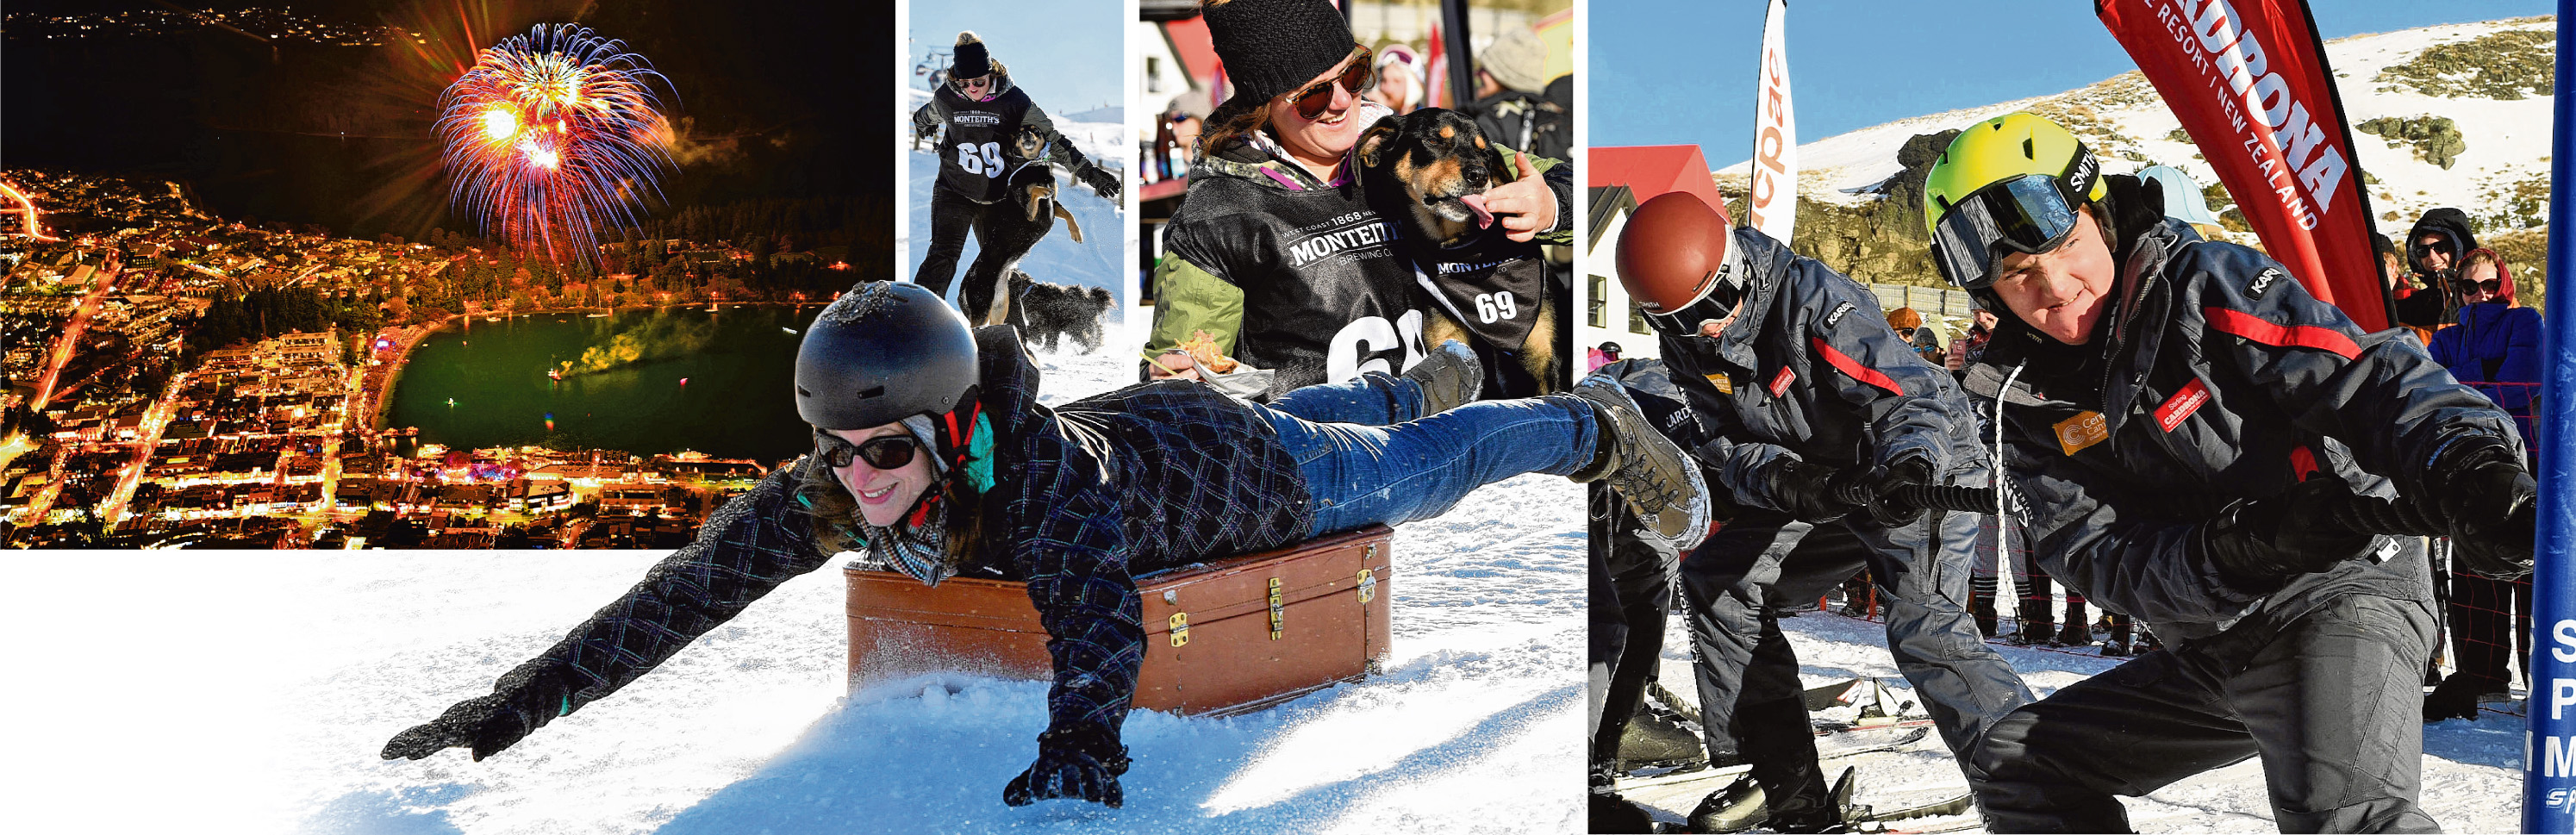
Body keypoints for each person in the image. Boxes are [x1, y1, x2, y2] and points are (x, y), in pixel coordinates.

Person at [380, 281, 1712, 809]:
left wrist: (1082, 746)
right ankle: (1410, 379)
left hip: (1247, 483)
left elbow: (1097, 619)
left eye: (889, 453)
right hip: (1173, 417)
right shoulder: (843, 485)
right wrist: (504, 716)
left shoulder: (1039, 485)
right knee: (1346, 417)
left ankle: (1578, 422)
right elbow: (675, 602)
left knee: (1418, 473)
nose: (864, 485)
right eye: (841, 455)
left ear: (956, 432)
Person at [1923, 112, 2534, 832]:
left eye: (2066, 246)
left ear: (2099, 216)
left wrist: (2466, 459)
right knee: (2018, 763)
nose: (2054, 286)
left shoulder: (2204, 287)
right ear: (1988, 294)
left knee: (2344, 817)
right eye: (2019, 274)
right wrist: (2227, 551)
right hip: (2213, 637)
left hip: (2339, 588)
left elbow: (2366, 376)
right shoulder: (2019, 397)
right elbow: (2090, 550)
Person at [1611, 190, 2036, 832]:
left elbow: (1909, 393)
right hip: (1827, 484)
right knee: (1718, 582)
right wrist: (1791, 479)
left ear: (1734, 275)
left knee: (1926, 629)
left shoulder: (1811, 301)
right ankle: (1789, 787)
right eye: (1678, 320)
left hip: (1919, 469)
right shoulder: (1688, 342)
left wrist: (1908, 463)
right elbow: (1721, 444)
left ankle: (2042, 793)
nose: (1704, 329)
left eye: (1710, 309)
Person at [1145, 0, 1569, 400]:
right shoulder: (1219, 215)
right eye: (1313, 95)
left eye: (1352, 74)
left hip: (1443, 438)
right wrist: (1178, 373)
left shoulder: (1402, 144)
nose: (1343, 102)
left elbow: (1568, 185)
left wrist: (1550, 205)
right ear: (1264, 105)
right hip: (1323, 448)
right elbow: (1186, 366)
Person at [911, 31, 1122, 323]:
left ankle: (1012, 338)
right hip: (954, 189)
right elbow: (926, 114)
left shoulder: (1014, 101)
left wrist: (1091, 174)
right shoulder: (946, 96)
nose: (973, 89)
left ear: (990, 73)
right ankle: (916, 324)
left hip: (997, 196)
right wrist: (922, 125)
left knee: (1000, 265)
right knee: (943, 256)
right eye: (966, 83)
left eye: (979, 82)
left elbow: (1053, 139)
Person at [2421, 247, 2542, 721]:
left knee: (2529, 567)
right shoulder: (2450, 333)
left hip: (2526, 458)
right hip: (2469, 463)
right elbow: (2434, 388)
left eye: (2490, 285)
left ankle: (2541, 677)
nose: (2481, 295)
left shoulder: (2526, 321)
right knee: (2472, 566)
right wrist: (2480, 382)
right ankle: (2482, 676)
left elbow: (2523, 383)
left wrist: (2467, 381)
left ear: (2504, 285)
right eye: (2470, 287)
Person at [1460, 24, 1570, 162]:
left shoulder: (1492, 120)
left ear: (1505, 76)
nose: (1478, 73)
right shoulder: (1551, 113)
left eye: (1486, 68)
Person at [2404, 208, 2479, 327]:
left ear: (2458, 249)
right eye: (2422, 251)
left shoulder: (2486, 297)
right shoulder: (2409, 309)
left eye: (2441, 247)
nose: (2432, 257)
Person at [1365, 43, 1425, 115]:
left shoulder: (1427, 122)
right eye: (1383, 80)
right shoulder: (1370, 113)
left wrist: (1383, 116)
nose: (1388, 89)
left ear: (1413, 87)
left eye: (1397, 81)